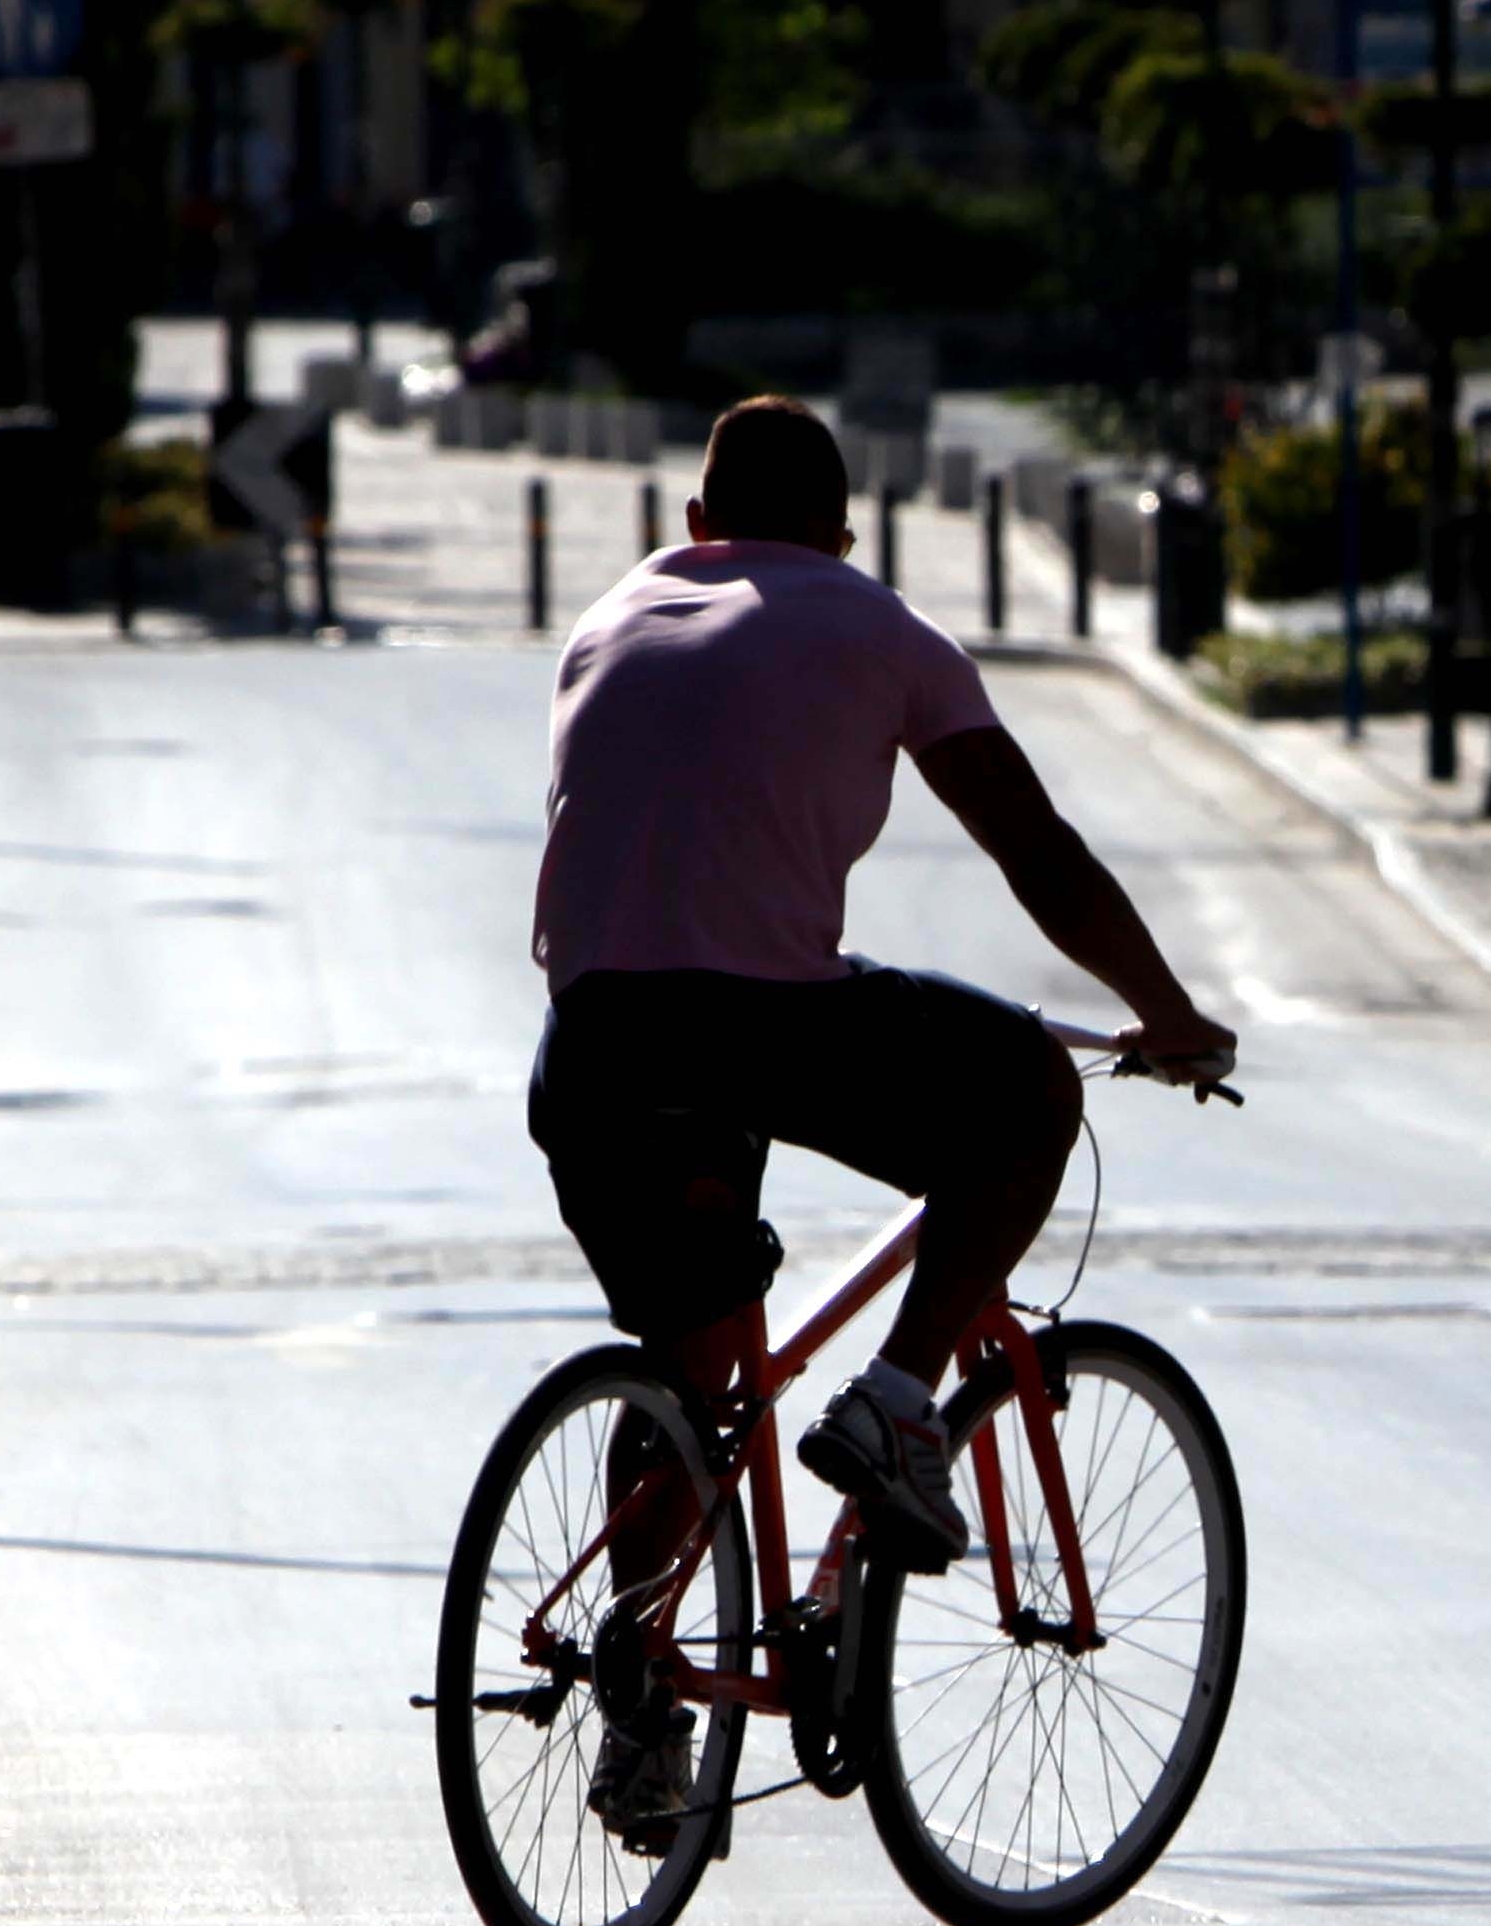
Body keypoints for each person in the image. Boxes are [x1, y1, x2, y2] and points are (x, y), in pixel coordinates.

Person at [525, 394, 1235, 1837]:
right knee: (1028, 1088)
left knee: (699, 1362)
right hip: (761, 1027)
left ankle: (641, 1687)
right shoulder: (880, 626)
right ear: (846, 537)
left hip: (591, 1052)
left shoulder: (609, 616)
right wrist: (1164, 1011)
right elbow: (1033, 846)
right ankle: (902, 1406)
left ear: (694, 527)